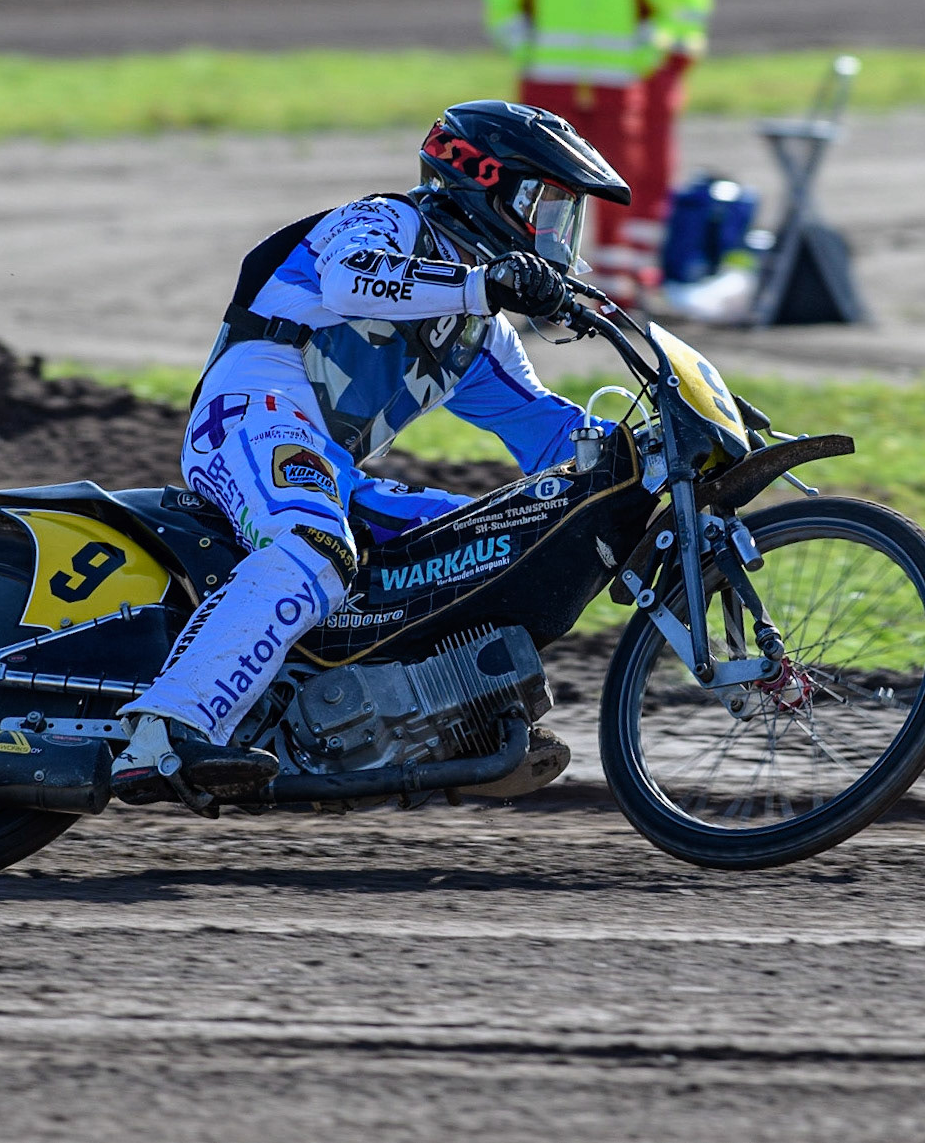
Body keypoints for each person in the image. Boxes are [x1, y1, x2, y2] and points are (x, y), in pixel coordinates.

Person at [110, 101, 630, 805]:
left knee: (494, 539)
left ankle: (450, 725)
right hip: (250, 411)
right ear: (482, 180)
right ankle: (165, 729)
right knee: (314, 545)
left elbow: (542, 428)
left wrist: (648, 463)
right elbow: (349, 279)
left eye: (563, 214)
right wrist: (483, 285)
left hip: (333, 470)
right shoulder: (385, 221)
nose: (552, 232)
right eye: (543, 204)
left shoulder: (480, 336)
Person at [484, 0, 671, 305]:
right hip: (550, 79)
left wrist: (637, 63)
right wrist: (527, 54)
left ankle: (615, 280)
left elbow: (653, 8)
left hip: (614, 84)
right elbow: (503, 0)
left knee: (618, 175)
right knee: (544, 184)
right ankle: (544, 284)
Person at [602, 0, 714, 250]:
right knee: (640, 165)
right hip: (646, 59)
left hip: (659, 55)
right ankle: (631, 266)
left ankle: (639, 264)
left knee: (648, 166)